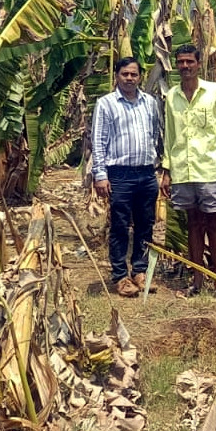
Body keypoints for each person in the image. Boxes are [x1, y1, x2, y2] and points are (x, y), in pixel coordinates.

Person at [160, 44, 216, 299]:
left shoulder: (215, 92)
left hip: (211, 169)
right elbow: (170, 135)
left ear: (198, 63)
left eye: (189, 62)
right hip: (183, 170)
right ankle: (196, 278)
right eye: (180, 62)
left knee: (214, 223)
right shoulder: (172, 96)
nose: (185, 66)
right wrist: (167, 170)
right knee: (192, 223)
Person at [89, 57, 163, 298]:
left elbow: (155, 135)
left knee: (145, 224)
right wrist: (100, 175)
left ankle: (140, 271)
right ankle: (120, 275)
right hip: (119, 174)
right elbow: (98, 141)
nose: (129, 78)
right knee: (120, 226)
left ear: (140, 76)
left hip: (145, 172)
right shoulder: (106, 104)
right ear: (117, 76)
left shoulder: (150, 103)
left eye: (134, 74)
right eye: (125, 74)